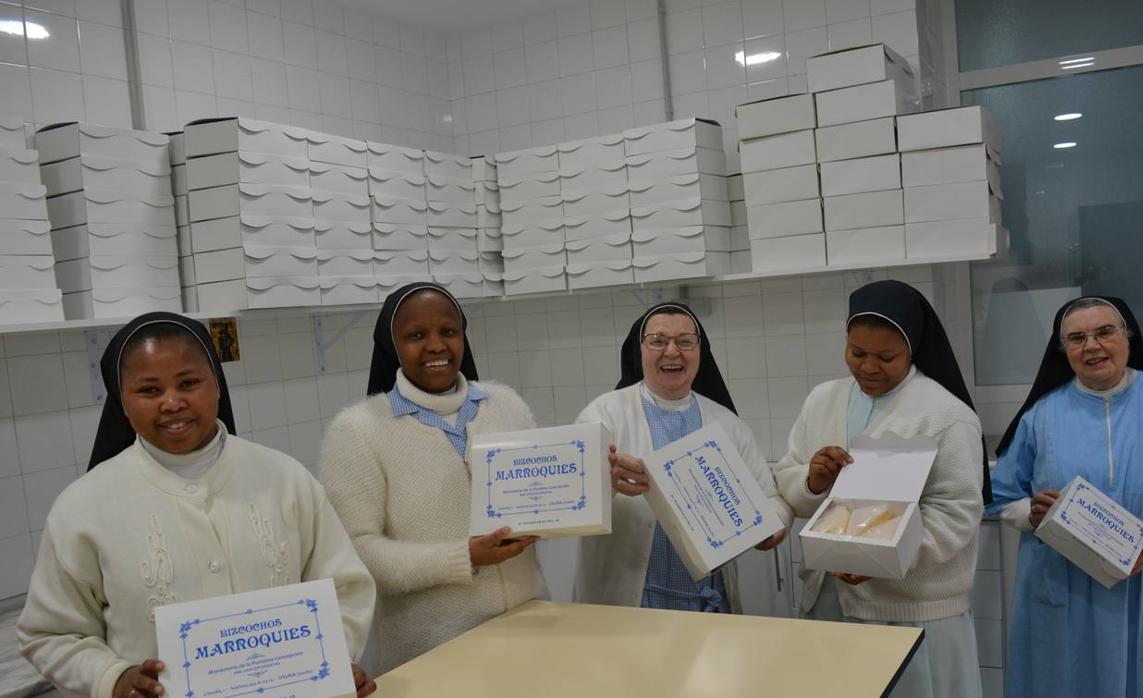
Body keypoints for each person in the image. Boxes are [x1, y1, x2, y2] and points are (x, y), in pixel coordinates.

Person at [17, 312, 378, 698]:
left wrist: (327, 662)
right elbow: (50, 633)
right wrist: (113, 678)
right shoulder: (82, 508)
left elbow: (346, 587)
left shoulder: (285, 479)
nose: (172, 403)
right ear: (123, 402)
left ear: (217, 387)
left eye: (189, 383)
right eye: (150, 390)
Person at [988, 296, 1143, 698]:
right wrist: (1032, 514)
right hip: (1065, 582)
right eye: (1077, 338)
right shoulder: (1041, 414)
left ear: (1128, 337)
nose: (1092, 346)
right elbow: (1001, 497)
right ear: (1063, 350)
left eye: (1105, 332)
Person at [772, 280, 986, 698]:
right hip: (830, 602)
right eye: (857, 353)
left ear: (913, 350)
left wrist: (883, 555)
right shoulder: (823, 400)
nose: (869, 367)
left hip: (910, 612)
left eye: (886, 357)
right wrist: (813, 479)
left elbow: (957, 513)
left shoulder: (945, 415)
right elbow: (788, 479)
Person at [319, 282, 547, 672]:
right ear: (392, 345)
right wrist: (462, 557)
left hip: (529, 630)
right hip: (432, 652)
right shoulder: (358, 431)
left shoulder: (505, 404)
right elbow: (358, 553)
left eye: (448, 331)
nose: (436, 345)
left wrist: (594, 482)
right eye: (416, 335)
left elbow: (543, 496)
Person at [574, 301, 793, 612]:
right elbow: (572, 502)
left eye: (685, 341)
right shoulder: (603, 416)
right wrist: (605, 484)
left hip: (708, 599)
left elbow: (772, 499)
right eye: (658, 341)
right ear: (640, 349)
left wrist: (772, 527)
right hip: (631, 599)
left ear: (699, 350)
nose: (672, 352)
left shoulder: (728, 424)